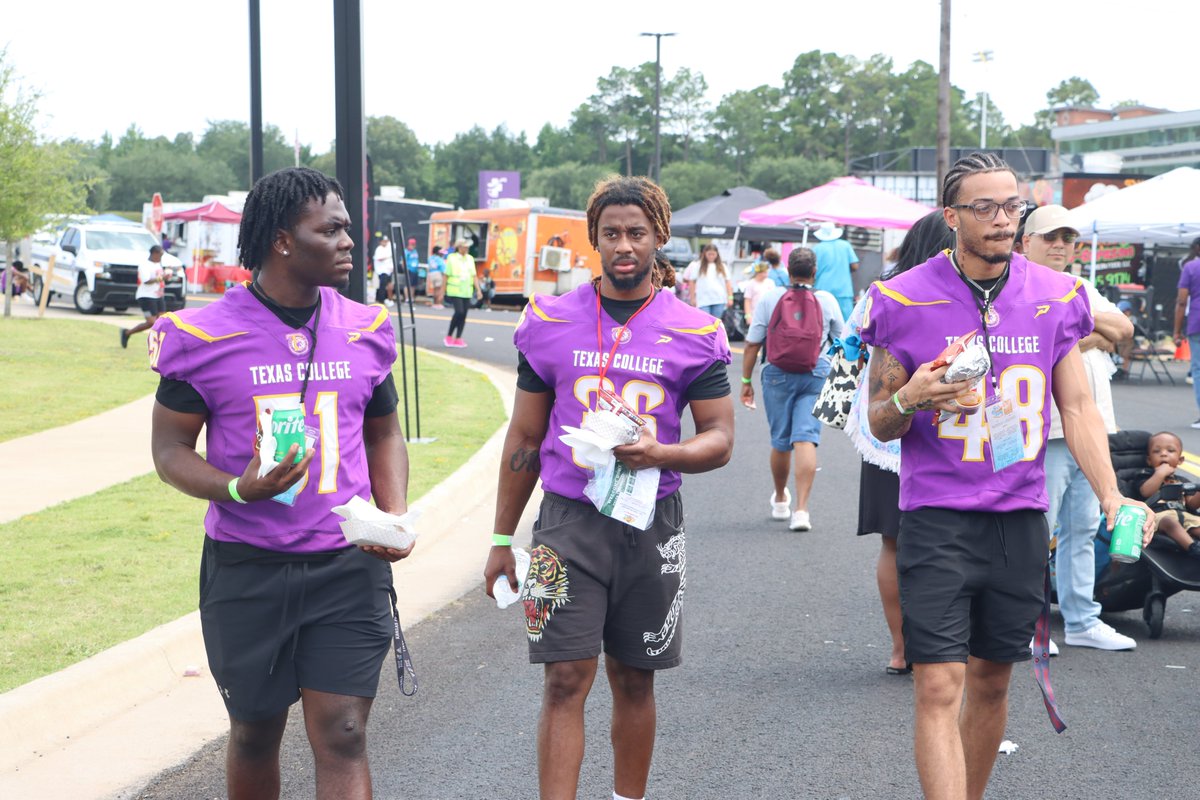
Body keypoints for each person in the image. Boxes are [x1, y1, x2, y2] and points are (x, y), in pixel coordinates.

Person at [859, 152, 1154, 800]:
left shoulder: (1056, 294)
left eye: (1011, 206)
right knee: (939, 684)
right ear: (951, 216)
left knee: (993, 682)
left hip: (1019, 519)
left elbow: (1077, 407)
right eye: (984, 207)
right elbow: (880, 422)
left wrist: (1111, 495)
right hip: (937, 517)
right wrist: (910, 396)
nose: (1002, 220)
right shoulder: (902, 297)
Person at [148, 167, 413, 800]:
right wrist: (238, 488)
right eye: (332, 229)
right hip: (248, 567)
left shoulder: (364, 327)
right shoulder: (203, 335)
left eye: (347, 228)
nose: (349, 241)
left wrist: (393, 514)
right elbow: (169, 450)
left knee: (344, 731)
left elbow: (383, 433)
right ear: (282, 241)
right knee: (254, 733)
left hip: (346, 565)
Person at [483, 175, 734, 800]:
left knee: (634, 678)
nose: (624, 245)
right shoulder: (547, 320)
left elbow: (720, 438)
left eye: (637, 233)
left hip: (651, 522)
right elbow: (524, 438)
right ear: (593, 239)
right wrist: (500, 539)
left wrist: (662, 453)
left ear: (659, 237)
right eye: (612, 233)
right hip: (567, 522)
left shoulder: (695, 331)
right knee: (564, 678)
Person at [845, 210, 955, 674]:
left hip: (882, 432)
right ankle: (943, 646)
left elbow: (848, 349)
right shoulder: (958, 295)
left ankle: (901, 647)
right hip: (943, 437)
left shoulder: (881, 292)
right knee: (949, 541)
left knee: (892, 543)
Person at [1023, 205, 1136, 651]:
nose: (1060, 245)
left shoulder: (1078, 287)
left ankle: (1082, 619)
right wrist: (1092, 334)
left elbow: (1123, 329)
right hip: (1045, 431)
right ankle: (1028, 624)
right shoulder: (1017, 285)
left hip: (1091, 428)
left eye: (1067, 238)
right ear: (1025, 242)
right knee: (1037, 531)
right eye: (1050, 237)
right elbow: (1049, 339)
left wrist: (1077, 326)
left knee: (1083, 529)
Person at [740, 247, 845, 532]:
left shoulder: (770, 297)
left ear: (788, 271)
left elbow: (752, 343)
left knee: (781, 441)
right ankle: (801, 511)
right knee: (806, 438)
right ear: (814, 272)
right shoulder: (826, 300)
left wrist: (746, 382)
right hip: (815, 373)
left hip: (777, 373)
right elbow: (841, 341)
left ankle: (779, 499)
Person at [1137, 431, 1200, 558]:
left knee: (1196, 524)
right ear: (1149, 460)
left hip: (1184, 515)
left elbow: (1192, 505)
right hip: (1158, 516)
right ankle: (1194, 548)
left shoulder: (1182, 481)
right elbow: (1146, 492)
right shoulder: (1145, 476)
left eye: (1170, 451)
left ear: (1180, 460)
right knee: (1169, 522)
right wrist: (1160, 473)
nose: (1164, 454)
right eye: (1157, 451)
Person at [1174, 236, 1200, 427]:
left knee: (1198, 369)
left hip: (1197, 323)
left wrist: (1176, 331)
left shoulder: (1191, 268)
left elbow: (1182, 301)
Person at [121, 246, 169, 349]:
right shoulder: (144, 265)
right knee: (151, 322)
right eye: (160, 255)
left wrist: (165, 277)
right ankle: (127, 333)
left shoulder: (158, 264)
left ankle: (159, 345)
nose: (161, 257)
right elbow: (146, 281)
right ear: (154, 253)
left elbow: (159, 278)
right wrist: (161, 278)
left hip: (158, 296)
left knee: (162, 321)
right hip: (146, 297)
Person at [811, 221, 859, 321]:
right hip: (843, 290)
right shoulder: (845, 245)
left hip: (822, 289)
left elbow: (812, 270)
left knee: (823, 321)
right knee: (846, 323)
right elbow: (855, 266)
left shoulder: (816, 249)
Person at [682, 243, 733, 317]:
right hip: (703, 300)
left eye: (713, 254)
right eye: (709, 254)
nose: (711, 256)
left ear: (717, 254)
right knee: (705, 320)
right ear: (705, 254)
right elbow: (692, 282)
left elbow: (728, 282)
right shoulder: (698, 266)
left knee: (715, 321)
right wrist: (692, 298)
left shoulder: (722, 266)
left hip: (719, 299)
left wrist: (730, 297)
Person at [444, 238, 475, 347]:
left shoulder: (470, 258)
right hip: (455, 289)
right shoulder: (451, 258)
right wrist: (443, 290)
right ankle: (449, 336)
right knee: (459, 312)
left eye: (467, 247)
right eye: (465, 247)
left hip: (467, 290)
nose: (466, 249)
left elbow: (474, 275)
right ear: (459, 247)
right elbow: (446, 275)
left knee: (464, 314)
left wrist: (479, 290)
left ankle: (458, 338)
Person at [372, 235, 395, 307]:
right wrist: (387, 257)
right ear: (380, 242)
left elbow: (393, 245)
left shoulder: (388, 248)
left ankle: (389, 299)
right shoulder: (379, 249)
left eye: (386, 241)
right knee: (382, 286)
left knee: (389, 285)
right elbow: (379, 258)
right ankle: (381, 300)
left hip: (388, 271)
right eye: (383, 241)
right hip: (382, 271)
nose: (385, 243)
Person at [403, 237, 421, 304]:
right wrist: (405, 269)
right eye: (412, 244)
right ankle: (407, 298)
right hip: (409, 269)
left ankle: (411, 298)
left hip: (415, 270)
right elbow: (403, 261)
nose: (413, 246)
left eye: (414, 244)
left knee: (413, 285)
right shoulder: (406, 251)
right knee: (408, 284)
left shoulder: (415, 251)